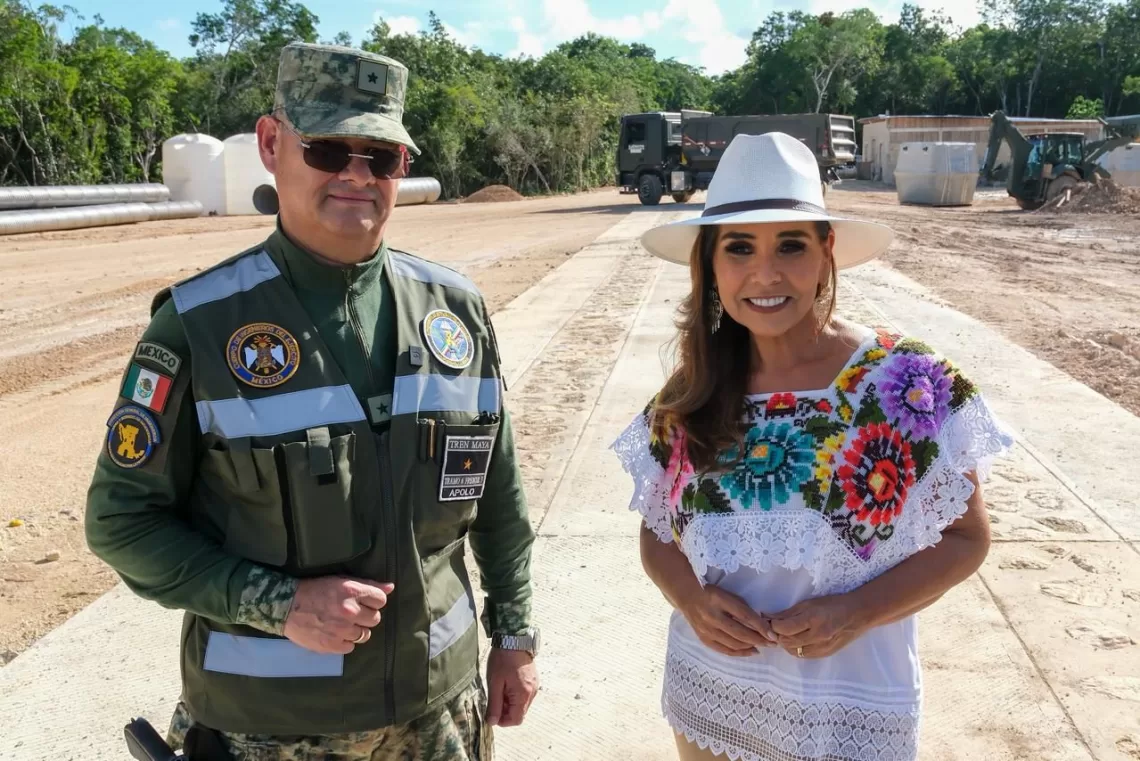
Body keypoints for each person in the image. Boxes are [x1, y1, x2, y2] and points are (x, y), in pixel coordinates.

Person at [85, 42, 540, 761]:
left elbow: (499, 497)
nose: (357, 175)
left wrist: (514, 635)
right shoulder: (199, 326)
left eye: (381, 156)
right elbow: (121, 522)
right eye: (329, 149)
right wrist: (278, 602)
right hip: (271, 728)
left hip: (440, 714)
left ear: (403, 168)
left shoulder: (456, 312)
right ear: (272, 144)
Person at [611, 132, 1015, 761]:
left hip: (851, 708)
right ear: (710, 265)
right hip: (712, 700)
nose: (764, 274)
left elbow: (967, 540)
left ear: (827, 252)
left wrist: (856, 610)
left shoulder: (905, 383)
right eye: (739, 248)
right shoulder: (690, 392)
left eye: (790, 246)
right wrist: (689, 599)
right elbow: (657, 532)